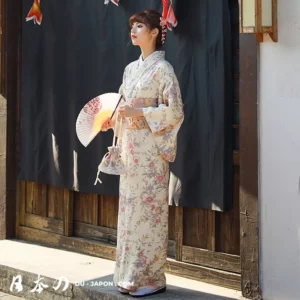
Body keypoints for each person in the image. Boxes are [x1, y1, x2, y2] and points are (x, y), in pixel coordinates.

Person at [101, 9, 184, 297]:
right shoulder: (130, 69)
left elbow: (174, 112)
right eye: (132, 26)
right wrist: (113, 120)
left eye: (140, 26)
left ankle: (151, 277)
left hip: (150, 152)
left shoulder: (164, 70)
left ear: (153, 33)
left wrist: (140, 111)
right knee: (130, 212)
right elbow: (122, 104)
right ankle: (128, 274)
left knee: (149, 213)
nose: (133, 30)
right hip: (130, 150)